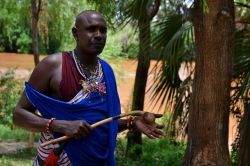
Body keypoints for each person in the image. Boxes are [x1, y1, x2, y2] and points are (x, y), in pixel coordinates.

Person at [13, 10, 164, 166]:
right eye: (91, 29)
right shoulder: (53, 65)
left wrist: (132, 123)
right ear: (75, 33)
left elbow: (98, 124)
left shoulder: (106, 71)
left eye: (103, 30)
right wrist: (59, 125)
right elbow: (18, 115)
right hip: (56, 160)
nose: (99, 35)